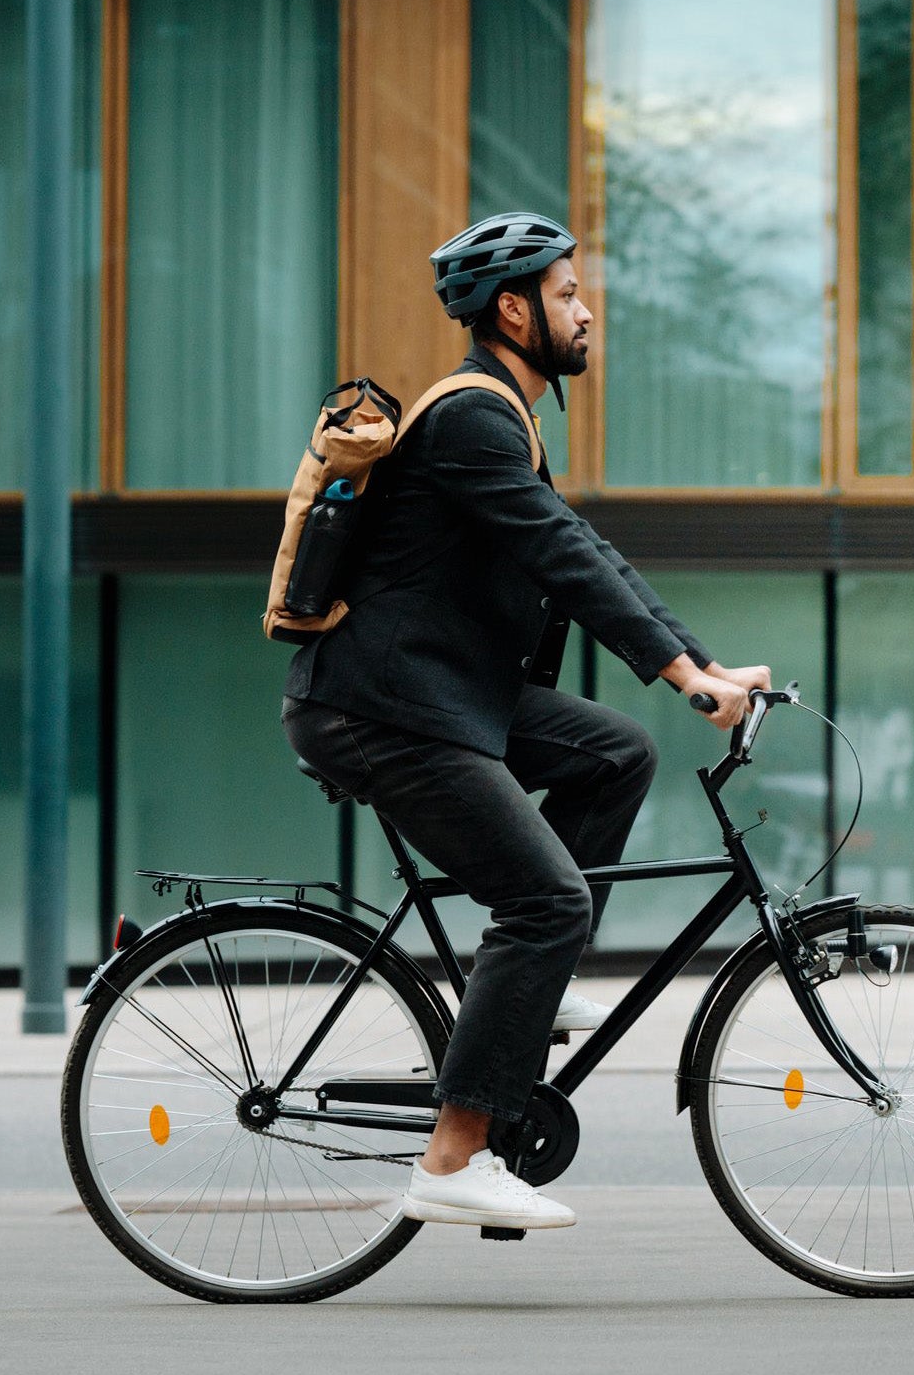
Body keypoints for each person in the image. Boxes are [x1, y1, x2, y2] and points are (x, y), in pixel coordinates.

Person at [281, 212, 770, 1231]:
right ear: (513, 308)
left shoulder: (502, 414)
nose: (586, 311)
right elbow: (565, 558)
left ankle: (528, 1002)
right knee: (547, 902)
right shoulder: (472, 418)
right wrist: (683, 676)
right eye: (568, 294)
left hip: (443, 693)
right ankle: (453, 1158)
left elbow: (590, 551)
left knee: (613, 753)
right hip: (382, 709)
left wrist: (704, 661)